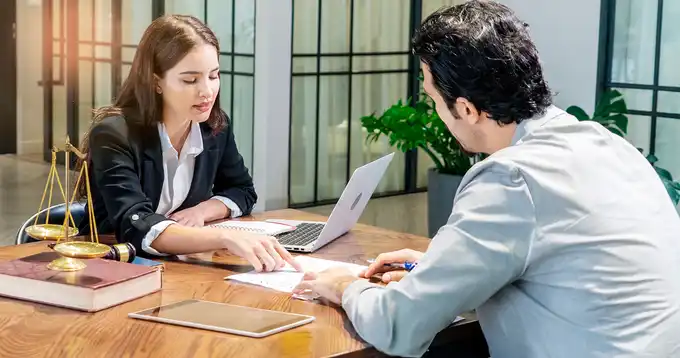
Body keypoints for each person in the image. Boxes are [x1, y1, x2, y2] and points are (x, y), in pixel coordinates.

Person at [293, 1, 680, 357]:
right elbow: (571, 263)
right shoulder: (607, 144)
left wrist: (343, 288)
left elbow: (400, 325)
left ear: (465, 108)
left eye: (432, 99)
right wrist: (444, 264)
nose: (435, 111)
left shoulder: (511, 177)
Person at [77, 15, 301, 272]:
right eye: (190, 80)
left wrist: (202, 212)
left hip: (178, 266)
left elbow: (242, 191)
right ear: (156, 82)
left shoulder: (214, 127)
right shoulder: (114, 136)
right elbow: (135, 225)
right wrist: (226, 236)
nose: (207, 91)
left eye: (214, 76)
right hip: (113, 267)